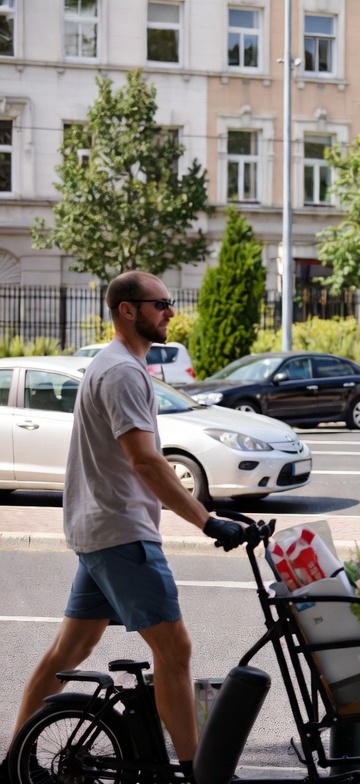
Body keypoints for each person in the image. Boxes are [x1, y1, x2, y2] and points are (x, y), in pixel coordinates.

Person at [2, 272, 247, 781]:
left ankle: (12, 762)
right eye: (161, 303)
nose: (171, 312)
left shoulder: (116, 365)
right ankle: (195, 772)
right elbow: (146, 460)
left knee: (69, 650)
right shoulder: (121, 372)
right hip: (121, 532)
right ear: (127, 310)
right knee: (174, 649)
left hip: (100, 529)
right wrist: (207, 521)